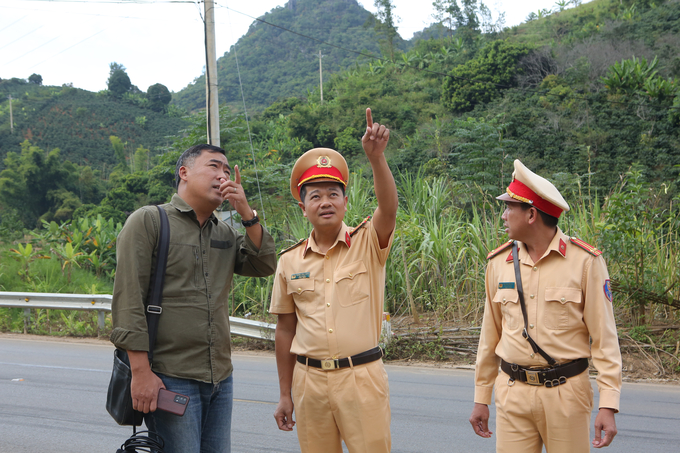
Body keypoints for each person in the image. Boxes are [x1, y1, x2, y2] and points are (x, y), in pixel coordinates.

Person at [110, 144, 277, 453]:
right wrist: (141, 373)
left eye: (227, 171)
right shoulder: (150, 221)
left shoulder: (225, 233)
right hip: (170, 377)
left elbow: (263, 264)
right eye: (214, 167)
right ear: (184, 173)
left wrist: (247, 213)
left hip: (220, 378)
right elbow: (128, 301)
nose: (223, 176)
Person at [469, 159, 623, 453]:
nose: (503, 215)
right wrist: (481, 396)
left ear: (531, 214)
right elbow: (489, 337)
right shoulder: (498, 264)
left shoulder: (585, 263)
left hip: (566, 394)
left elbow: (605, 339)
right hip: (512, 392)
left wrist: (608, 405)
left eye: (509, 208)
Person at [269, 108, 398, 453]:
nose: (325, 202)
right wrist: (285, 393)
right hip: (308, 382)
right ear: (303, 206)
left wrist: (377, 159)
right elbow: (285, 329)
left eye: (333, 193)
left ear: (344, 200)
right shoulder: (289, 261)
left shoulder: (369, 243)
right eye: (315, 195)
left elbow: (388, 208)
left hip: (361, 377)